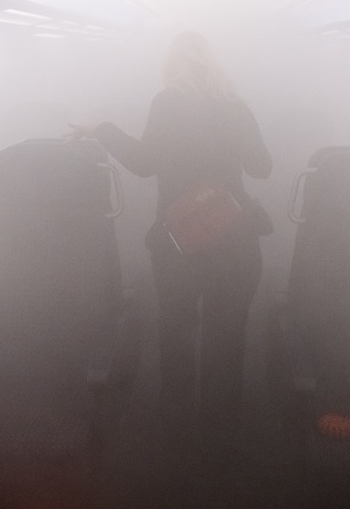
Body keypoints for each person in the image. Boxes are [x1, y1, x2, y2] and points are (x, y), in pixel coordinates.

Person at [68, 31, 272, 451]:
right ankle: (220, 433)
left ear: (172, 65)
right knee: (227, 336)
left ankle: (176, 431)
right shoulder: (235, 105)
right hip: (234, 239)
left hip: (180, 240)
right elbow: (262, 168)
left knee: (177, 330)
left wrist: (102, 130)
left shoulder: (167, 102)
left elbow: (143, 163)